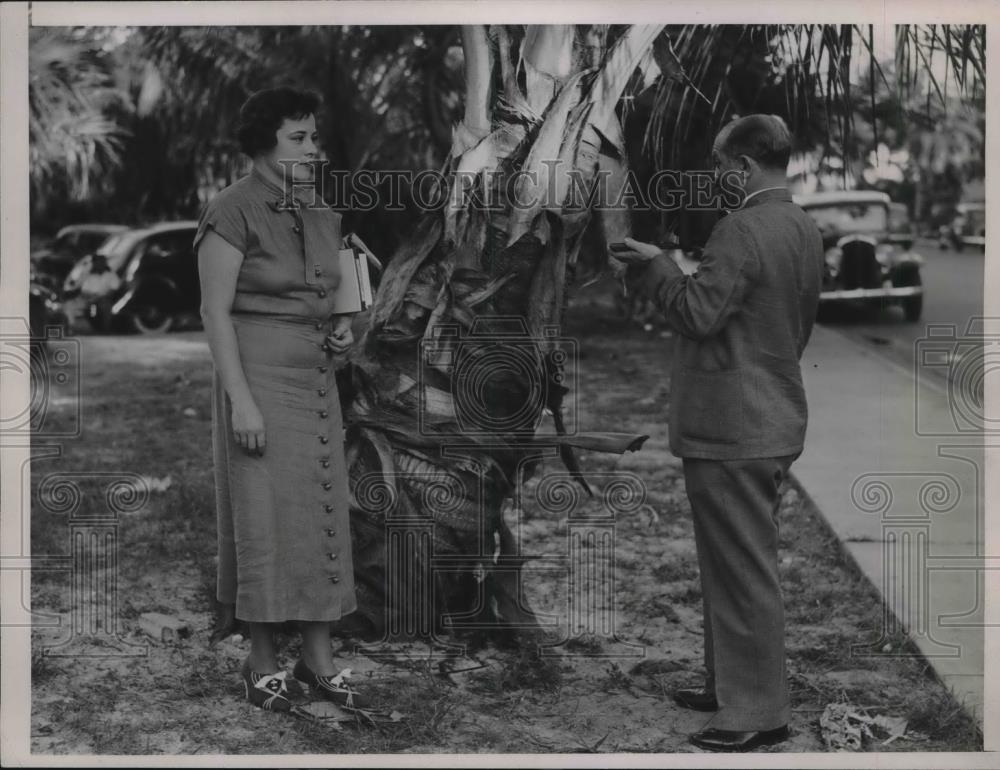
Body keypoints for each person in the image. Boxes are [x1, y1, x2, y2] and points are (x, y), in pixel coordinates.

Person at [615, 114, 824, 752]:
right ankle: (728, 685)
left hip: (735, 427)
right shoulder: (801, 225)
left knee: (740, 570)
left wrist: (655, 268)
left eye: (717, 164)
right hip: (771, 414)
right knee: (728, 564)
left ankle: (758, 712)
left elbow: (698, 312)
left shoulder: (740, 228)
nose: (713, 174)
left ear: (741, 167)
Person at [195, 87, 371, 714]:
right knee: (265, 518)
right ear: (264, 145)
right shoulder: (232, 210)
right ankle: (261, 661)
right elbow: (214, 312)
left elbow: (334, 293)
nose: (312, 149)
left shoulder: (321, 210)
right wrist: (241, 400)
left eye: (314, 137)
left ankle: (318, 662)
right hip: (258, 380)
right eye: (298, 138)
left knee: (322, 509)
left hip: (316, 381)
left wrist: (344, 326)